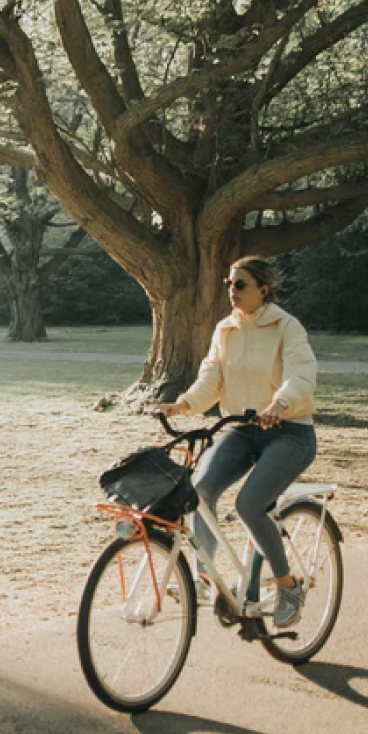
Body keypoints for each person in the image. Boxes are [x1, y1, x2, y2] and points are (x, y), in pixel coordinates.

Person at [154, 256, 318, 628]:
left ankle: (287, 586)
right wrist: (184, 403)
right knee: (200, 491)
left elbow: (302, 374)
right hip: (242, 429)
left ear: (263, 288)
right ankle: (205, 579)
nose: (232, 290)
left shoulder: (286, 327)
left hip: (289, 432)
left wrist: (280, 403)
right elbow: (211, 378)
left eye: (239, 284)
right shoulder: (225, 329)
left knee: (250, 504)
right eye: (229, 283)